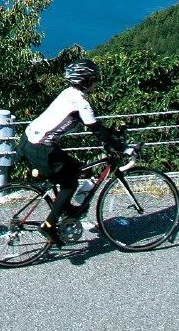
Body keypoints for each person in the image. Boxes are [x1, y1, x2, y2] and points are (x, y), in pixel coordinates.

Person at [18, 59, 123, 247]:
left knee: (74, 167)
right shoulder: (81, 103)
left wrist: (113, 135)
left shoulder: (69, 93)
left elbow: (96, 127)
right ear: (85, 80)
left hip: (29, 140)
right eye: (94, 79)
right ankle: (49, 225)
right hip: (42, 147)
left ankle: (65, 209)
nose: (96, 82)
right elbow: (97, 131)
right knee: (70, 183)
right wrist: (123, 147)